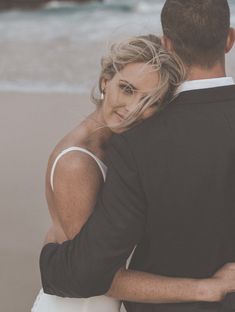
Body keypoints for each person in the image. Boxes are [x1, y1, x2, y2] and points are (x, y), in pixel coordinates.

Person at [39, 0, 235, 310]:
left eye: (149, 99)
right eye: (127, 89)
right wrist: (206, 288)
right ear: (229, 39)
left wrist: (51, 257)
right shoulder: (84, 158)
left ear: (167, 45)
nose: (134, 108)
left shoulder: (136, 142)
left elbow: (87, 269)